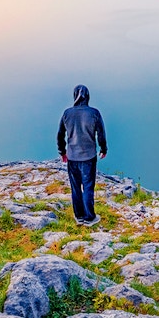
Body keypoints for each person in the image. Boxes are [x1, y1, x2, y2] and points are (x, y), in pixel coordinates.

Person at [57, 84, 107, 226]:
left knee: (75, 188)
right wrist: (103, 149)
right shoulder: (94, 113)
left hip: (72, 157)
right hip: (89, 157)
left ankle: (79, 216)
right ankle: (89, 218)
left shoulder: (67, 113)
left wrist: (62, 152)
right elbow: (101, 134)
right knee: (88, 186)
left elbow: (60, 135)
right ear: (88, 96)